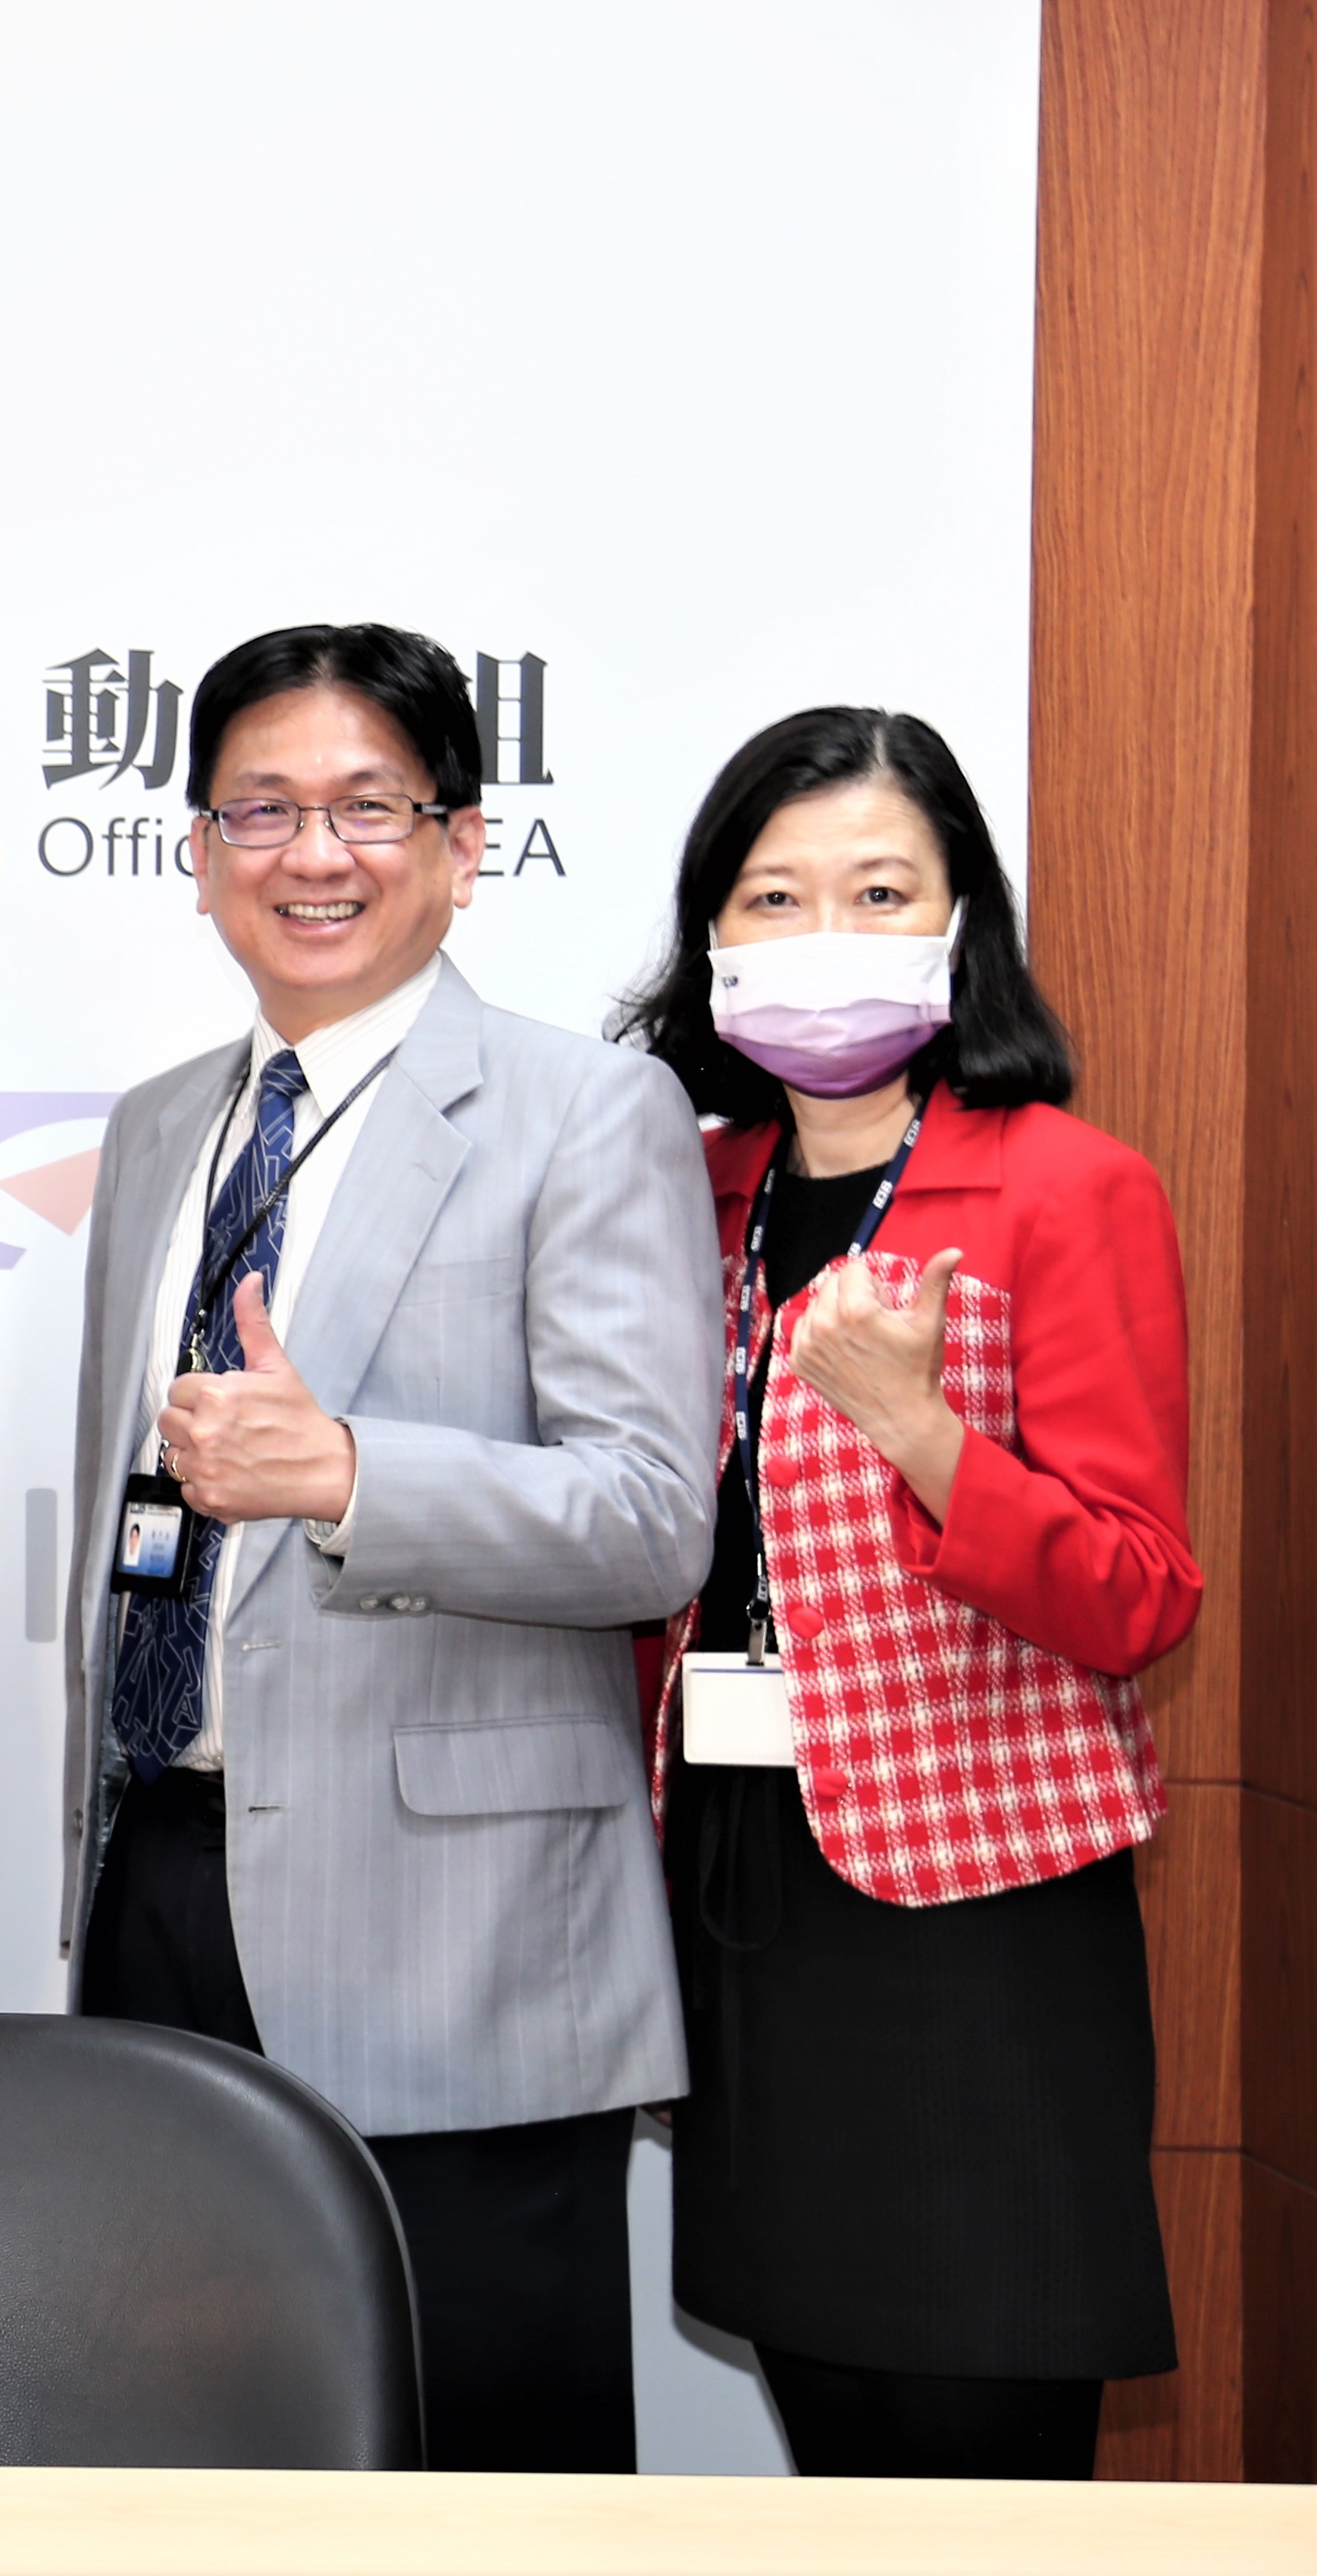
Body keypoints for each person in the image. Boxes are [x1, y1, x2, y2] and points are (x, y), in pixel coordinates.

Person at [59, 623, 718, 2472]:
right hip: (164, 1877)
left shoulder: (586, 1109)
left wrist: (348, 1472)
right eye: (260, 809)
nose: (312, 852)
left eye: (367, 805)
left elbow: (649, 1516)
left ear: (464, 841)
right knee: (191, 2451)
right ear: (201, 851)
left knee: (484, 2466)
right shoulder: (160, 1125)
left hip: (459, 1933)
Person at [615, 708, 1189, 2477]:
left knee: (976, 2432)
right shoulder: (686, 1186)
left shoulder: (1065, 1185)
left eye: (878, 892)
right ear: (713, 935)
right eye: (774, 897)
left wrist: (923, 1431)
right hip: (737, 1885)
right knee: (829, 2418)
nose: (823, 936)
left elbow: (1139, 1589)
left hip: (974, 1919)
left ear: (962, 922)